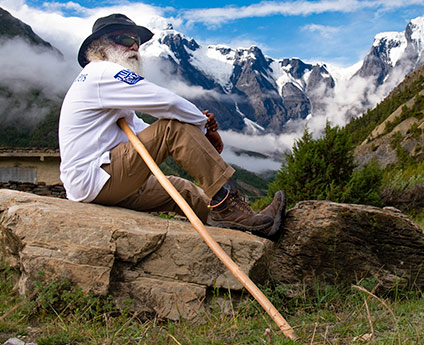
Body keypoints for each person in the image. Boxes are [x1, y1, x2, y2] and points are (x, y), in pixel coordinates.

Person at [58, 13, 284, 237]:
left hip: (95, 185)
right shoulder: (102, 71)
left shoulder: (99, 81)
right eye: (125, 40)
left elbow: (142, 132)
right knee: (172, 127)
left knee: (181, 189)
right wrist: (203, 126)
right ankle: (227, 205)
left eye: (137, 41)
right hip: (97, 180)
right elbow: (168, 104)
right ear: (102, 46)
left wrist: (195, 131)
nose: (135, 46)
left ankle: (246, 221)